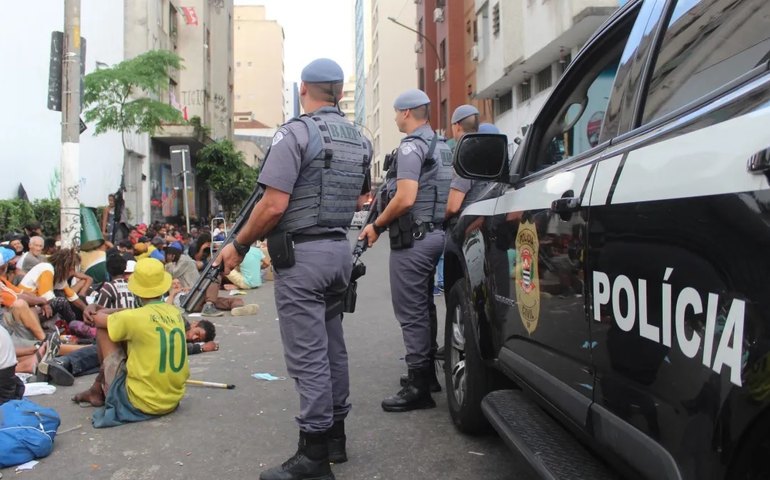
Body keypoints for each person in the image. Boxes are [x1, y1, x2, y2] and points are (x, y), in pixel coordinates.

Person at [216, 58, 371, 480]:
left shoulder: (295, 133)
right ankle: (335, 439)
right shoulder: (360, 139)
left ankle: (314, 455)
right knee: (332, 347)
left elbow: (273, 204)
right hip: (338, 252)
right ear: (339, 91)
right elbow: (360, 198)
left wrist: (238, 245)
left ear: (303, 88)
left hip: (303, 258)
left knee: (309, 356)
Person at [359, 88, 453, 413]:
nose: (396, 118)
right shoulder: (442, 145)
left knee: (411, 312)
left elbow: (405, 197)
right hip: (437, 233)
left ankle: (418, 387)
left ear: (407, 113)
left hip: (415, 240)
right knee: (424, 307)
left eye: (396, 113)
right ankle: (428, 377)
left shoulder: (412, 146)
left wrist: (376, 225)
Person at [71, 258, 189, 428]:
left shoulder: (134, 317)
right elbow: (131, 314)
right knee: (122, 330)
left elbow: (96, 319)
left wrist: (93, 307)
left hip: (143, 402)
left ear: (137, 290)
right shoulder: (174, 312)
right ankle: (96, 388)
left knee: (105, 329)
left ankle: (101, 389)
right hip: (172, 398)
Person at [19, 248, 87, 324]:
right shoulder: (47, 269)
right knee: (61, 302)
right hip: (29, 306)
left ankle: (78, 322)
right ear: (65, 266)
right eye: (72, 269)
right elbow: (47, 298)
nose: (73, 273)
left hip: (37, 304)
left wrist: (86, 309)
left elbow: (72, 296)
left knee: (63, 295)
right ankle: (75, 325)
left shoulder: (59, 274)